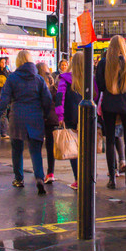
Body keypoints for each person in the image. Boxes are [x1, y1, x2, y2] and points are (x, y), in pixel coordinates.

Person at [0, 50, 52, 195]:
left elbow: (4, 100)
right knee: (35, 150)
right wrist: (44, 114)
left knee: (17, 149)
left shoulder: (12, 78)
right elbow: (48, 99)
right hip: (35, 117)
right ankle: (39, 176)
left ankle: (19, 178)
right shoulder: (38, 79)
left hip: (17, 117)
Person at [95, 35, 126, 189]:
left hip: (109, 104)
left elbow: (100, 86)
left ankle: (112, 177)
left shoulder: (104, 63)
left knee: (110, 140)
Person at [60, 51, 85, 189]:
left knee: (73, 149)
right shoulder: (89, 78)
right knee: (86, 147)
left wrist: (60, 116)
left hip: (71, 115)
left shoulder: (65, 79)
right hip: (87, 117)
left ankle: (77, 178)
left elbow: (60, 97)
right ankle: (88, 175)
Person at [37, 61, 59, 183]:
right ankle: (50, 172)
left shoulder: (37, 82)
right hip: (52, 118)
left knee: (37, 146)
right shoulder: (52, 82)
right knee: (50, 147)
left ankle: (39, 172)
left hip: (40, 117)